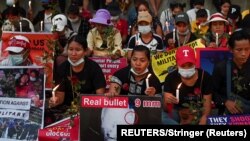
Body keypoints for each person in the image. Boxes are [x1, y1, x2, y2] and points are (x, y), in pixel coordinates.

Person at [49, 34, 106, 108]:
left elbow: (100, 96)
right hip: (67, 109)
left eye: (78, 50)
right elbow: (60, 96)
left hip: (89, 109)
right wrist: (56, 100)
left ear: (85, 51)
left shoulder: (94, 68)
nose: (73, 54)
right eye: (70, 49)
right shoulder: (62, 68)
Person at [163, 46, 212, 125]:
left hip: (198, 111)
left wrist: (204, 117)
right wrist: (167, 102)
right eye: (183, 65)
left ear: (195, 62)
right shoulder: (170, 77)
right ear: (177, 64)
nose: (186, 68)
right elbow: (166, 109)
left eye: (190, 65)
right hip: (177, 112)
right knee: (163, 118)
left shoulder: (205, 77)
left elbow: (207, 106)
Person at [212, 29, 250, 115]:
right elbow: (212, 92)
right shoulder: (221, 67)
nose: (244, 53)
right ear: (231, 49)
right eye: (239, 50)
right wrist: (225, 101)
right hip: (227, 113)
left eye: (247, 49)